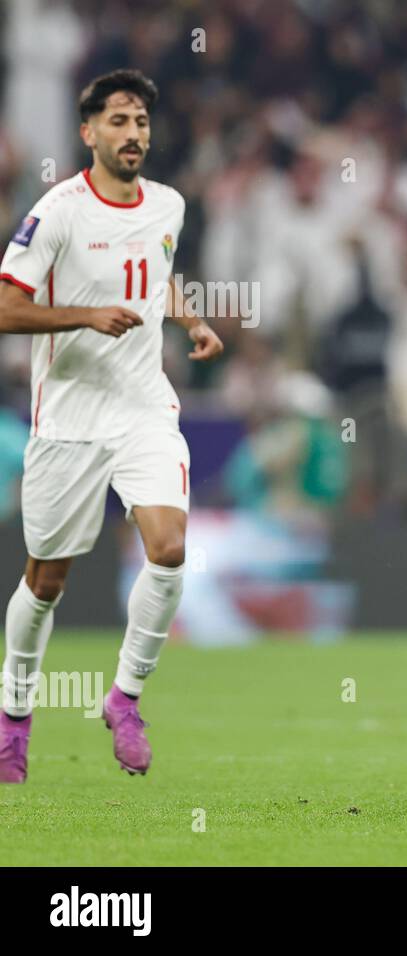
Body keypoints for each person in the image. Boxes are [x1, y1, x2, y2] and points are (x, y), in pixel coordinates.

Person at [0, 69, 224, 783]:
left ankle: (124, 699)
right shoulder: (58, 211)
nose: (134, 136)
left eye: (142, 124)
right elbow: (5, 309)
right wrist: (84, 316)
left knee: (169, 546)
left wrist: (190, 319)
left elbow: (155, 271)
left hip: (141, 407)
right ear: (88, 132)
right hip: (68, 419)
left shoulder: (168, 205)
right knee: (47, 579)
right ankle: (13, 714)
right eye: (120, 122)